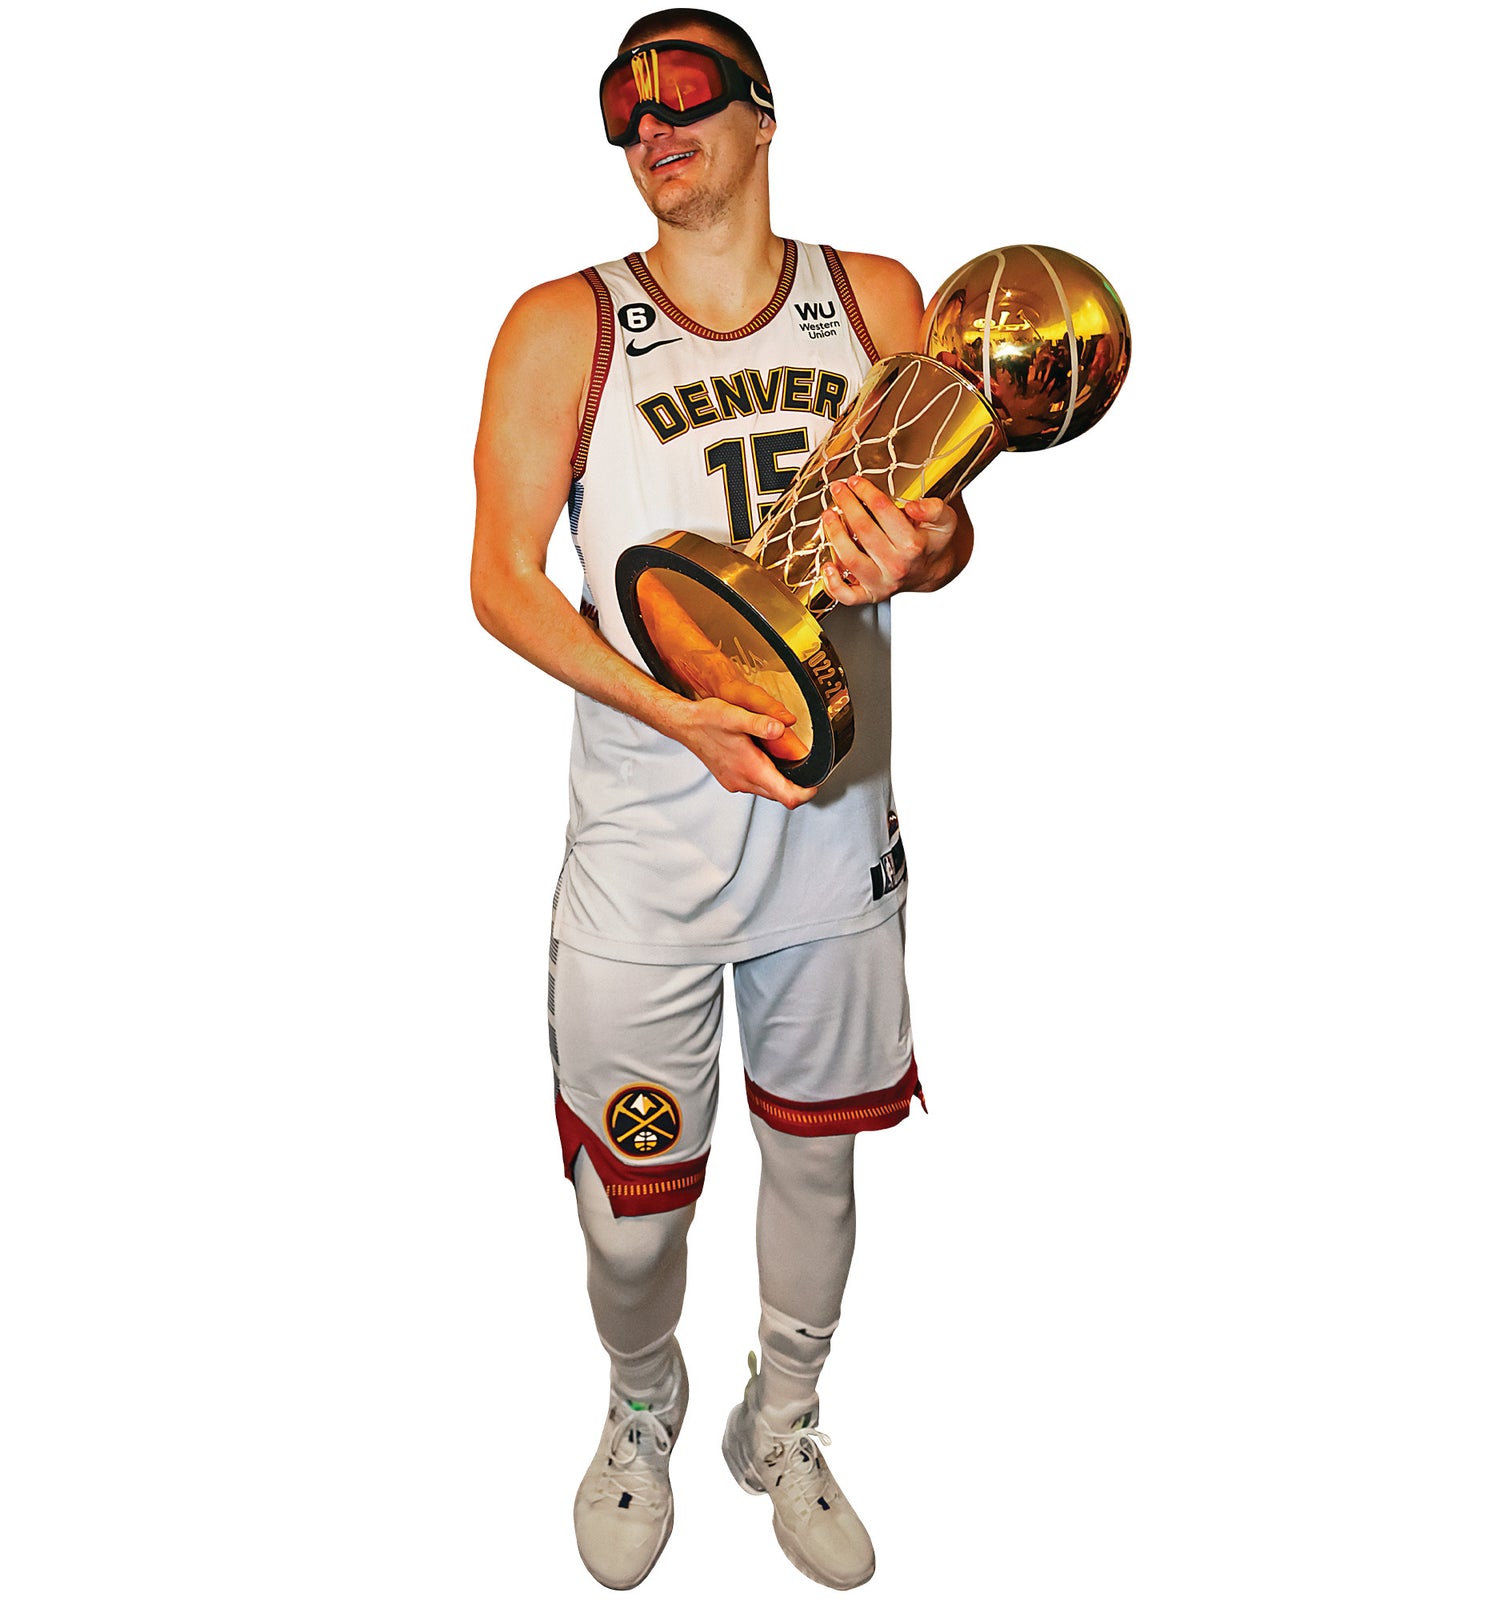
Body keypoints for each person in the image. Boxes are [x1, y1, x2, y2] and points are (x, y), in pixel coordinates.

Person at [470, 10, 973, 1590]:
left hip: (834, 849)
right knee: (631, 1214)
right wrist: (673, 713)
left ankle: (788, 1415)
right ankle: (644, 1399)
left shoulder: (874, 298)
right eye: (623, 104)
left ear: (761, 114)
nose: (649, 123)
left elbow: (943, 531)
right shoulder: (566, 323)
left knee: (818, 1162)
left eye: (682, 89)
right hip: (646, 861)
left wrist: (930, 552)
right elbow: (502, 581)